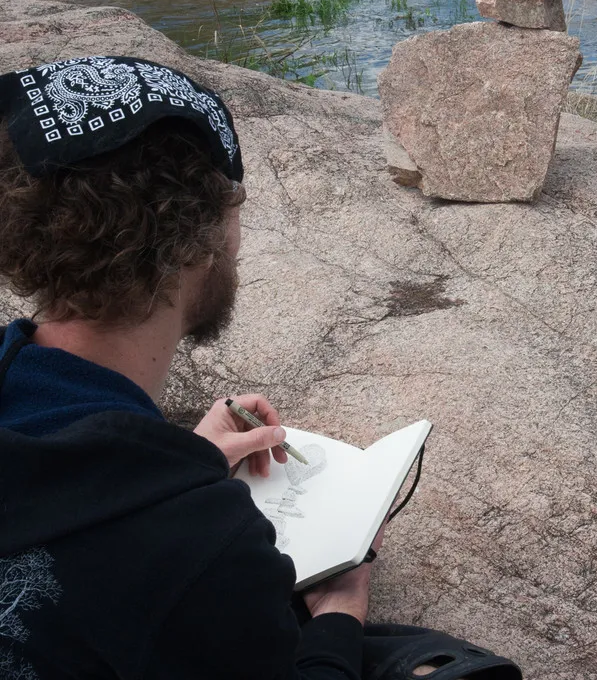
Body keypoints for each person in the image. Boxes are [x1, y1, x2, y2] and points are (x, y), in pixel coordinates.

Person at [0, 55, 521, 680]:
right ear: (202, 239)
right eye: (237, 204)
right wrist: (338, 610)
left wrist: (176, 464)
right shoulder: (207, 548)